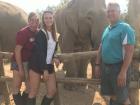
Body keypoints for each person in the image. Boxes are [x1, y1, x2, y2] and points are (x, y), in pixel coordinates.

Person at [95, 2, 135, 105]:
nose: (110, 13)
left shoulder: (125, 28)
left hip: (118, 68)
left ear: (119, 12)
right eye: (108, 11)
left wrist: (123, 72)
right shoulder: (107, 29)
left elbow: (129, 51)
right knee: (112, 95)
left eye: (113, 11)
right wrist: (97, 64)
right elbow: (101, 47)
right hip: (106, 67)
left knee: (123, 99)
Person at [27, 11, 60, 105]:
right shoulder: (41, 33)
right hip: (37, 65)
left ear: (53, 19)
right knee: (33, 92)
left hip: (49, 65)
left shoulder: (55, 34)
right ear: (43, 19)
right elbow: (40, 53)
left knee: (52, 91)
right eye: (46, 18)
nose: (48, 20)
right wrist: (44, 69)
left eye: (50, 18)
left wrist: (56, 57)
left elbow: (54, 50)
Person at [11, 12, 39, 105]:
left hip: (29, 63)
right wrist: (20, 68)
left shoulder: (37, 32)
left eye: (37, 20)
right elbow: (17, 51)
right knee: (16, 87)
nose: (34, 23)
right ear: (28, 21)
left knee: (29, 88)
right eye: (32, 20)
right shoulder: (23, 33)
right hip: (18, 61)